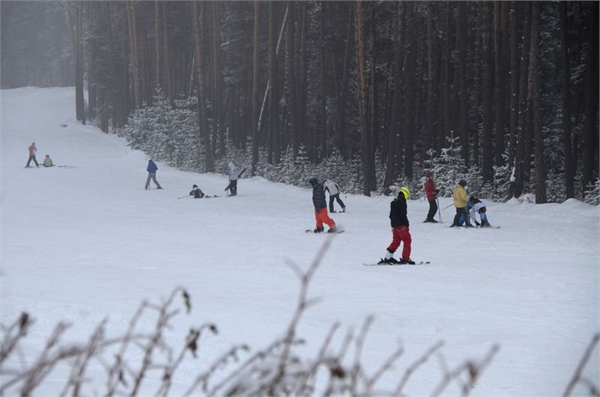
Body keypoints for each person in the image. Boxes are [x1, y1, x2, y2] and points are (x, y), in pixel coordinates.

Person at [379, 187, 415, 264]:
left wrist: (393, 225)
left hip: (394, 225)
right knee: (407, 240)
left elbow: (391, 215)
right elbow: (403, 215)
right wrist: (406, 224)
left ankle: (388, 257)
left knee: (396, 241)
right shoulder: (402, 202)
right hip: (401, 225)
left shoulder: (394, 202)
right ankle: (406, 259)